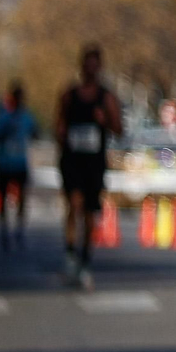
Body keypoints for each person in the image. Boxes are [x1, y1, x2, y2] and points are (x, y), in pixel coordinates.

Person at [55, 46, 122, 289]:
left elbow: (119, 129)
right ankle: (71, 252)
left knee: (90, 212)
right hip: (73, 159)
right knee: (74, 203)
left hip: (94, 161)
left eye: (95, 65)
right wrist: (62, 135)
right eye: (87, 65)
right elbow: (59, 124)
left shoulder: (106, 98)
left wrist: (105, 121)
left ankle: (85, 257)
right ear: (82, 66)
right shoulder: (69, 95)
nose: (91, 70)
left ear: (100, 68)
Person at [0, 82, 37, 250]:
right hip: (5, 163)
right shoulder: (4, 116)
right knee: (3, 199)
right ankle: (4, 230)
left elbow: (35, 132)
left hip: (20, 163)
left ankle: (19, 229)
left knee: (22, 198)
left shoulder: (26, 117)